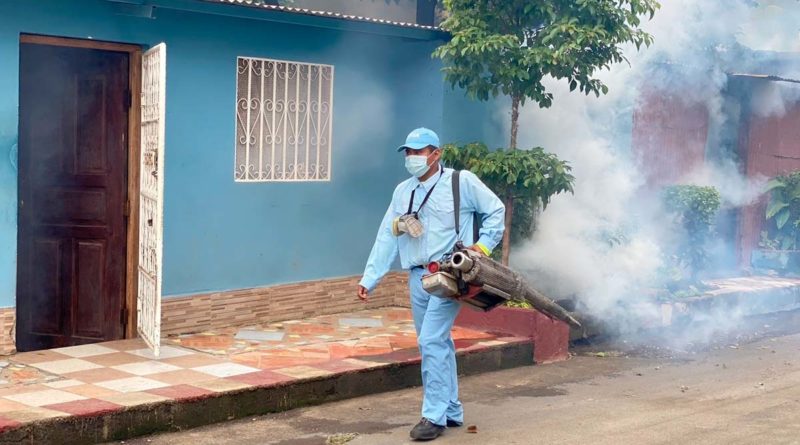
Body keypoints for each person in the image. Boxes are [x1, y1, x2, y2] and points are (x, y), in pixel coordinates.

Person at [357, 128, 505, 441]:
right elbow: (388, 234)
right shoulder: (402, 192)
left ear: (435, 154)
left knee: (431, 341)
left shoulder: (460, 182)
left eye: (418, 151)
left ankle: (433, 415)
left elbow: (495, 211)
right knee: (438, 342)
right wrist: (370, 278)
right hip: (417, 277)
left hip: (449, 276)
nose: (412, 158)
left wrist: (483, 247)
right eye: (408, 152)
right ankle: (451, 410)